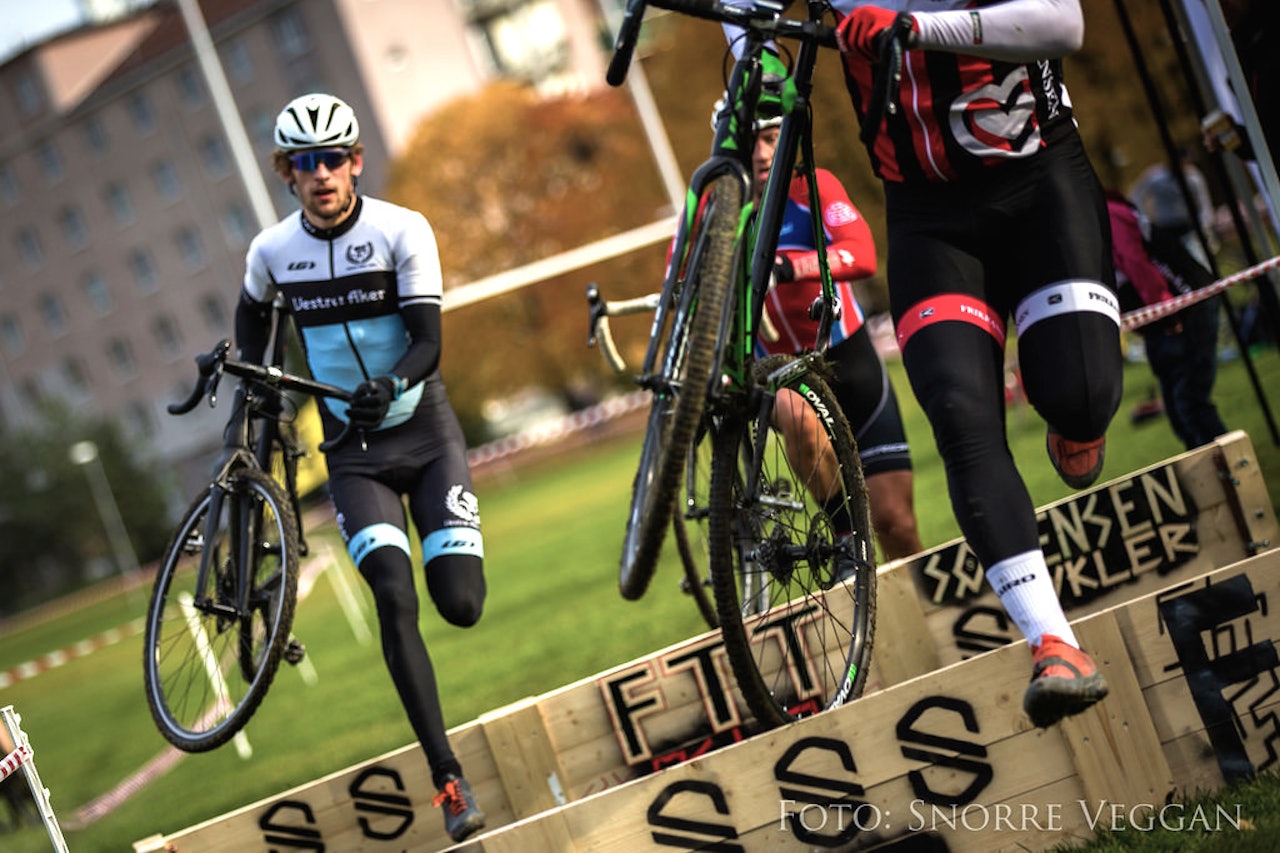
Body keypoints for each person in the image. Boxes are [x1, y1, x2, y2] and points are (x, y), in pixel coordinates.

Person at [721, 0, 1119, 727]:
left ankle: (1074, 410)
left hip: (1037, 178)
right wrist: (756, 53)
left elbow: (1065, 24)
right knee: (961, 417)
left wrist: (915, 29)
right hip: (927, 215)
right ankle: (1053, 643)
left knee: (1080, 396)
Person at [234, 93, 486, 843]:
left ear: (355, 163)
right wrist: (250, 373)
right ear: (287, 173)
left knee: (460, 603)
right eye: (305, 162)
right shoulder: (272, 251)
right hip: (354, 455)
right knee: (393, 595)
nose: (322, 174)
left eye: (333, 159)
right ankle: (448, 777)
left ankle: (454, 553)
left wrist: (392, 382)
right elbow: (251, 317)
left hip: (426, 433)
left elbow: (428, 341)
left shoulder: (401, 229)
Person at [748, 83, 923, 561]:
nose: (761, 153)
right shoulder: (721, 212)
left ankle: (925, 601)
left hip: (848, 357)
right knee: (798, 417)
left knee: (895, 522)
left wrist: (790, 267)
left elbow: (861, 253)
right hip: (782, 371)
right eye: (750, 141)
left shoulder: (814, 186)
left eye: (770, 138)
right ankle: (845, 542)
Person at [1107, 190, 1229, 450]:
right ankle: (1208, 469)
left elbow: (1136, 262)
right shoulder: (1096, 217)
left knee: (1190, 405)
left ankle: (1231, 467)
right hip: (1162, 318)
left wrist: (1164, 311)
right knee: (1179, 410)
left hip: (1185, 305)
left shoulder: (1107, 214)